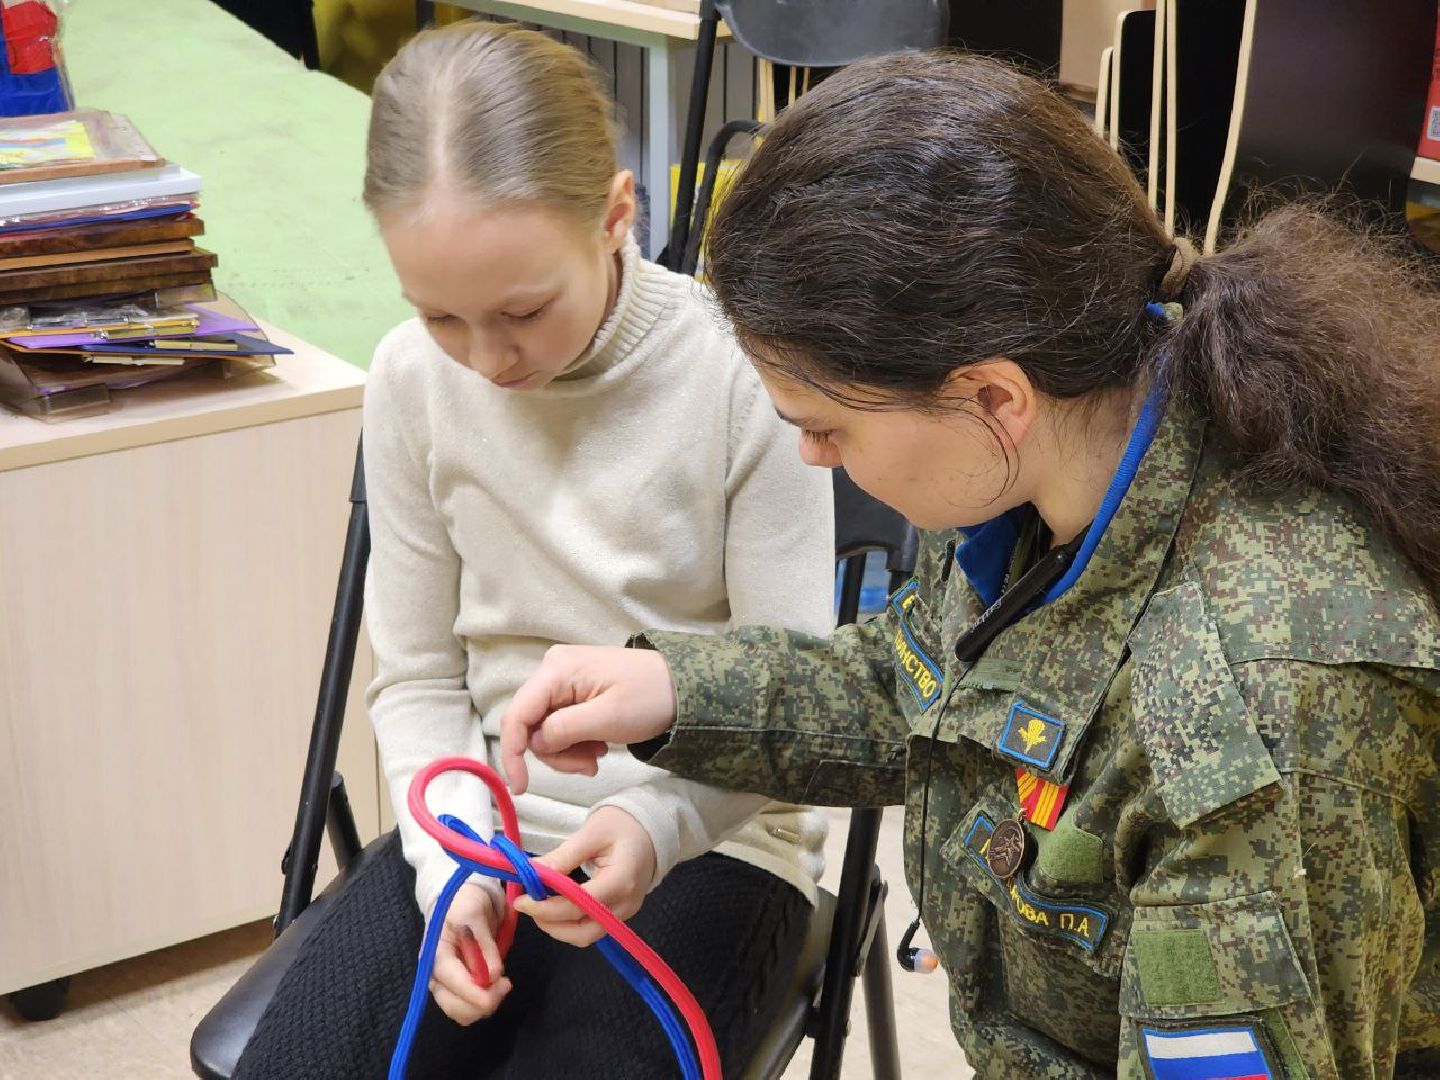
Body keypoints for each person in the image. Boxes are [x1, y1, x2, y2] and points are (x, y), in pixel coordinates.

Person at [500, 50, 1440, 1080]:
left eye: (825, 427)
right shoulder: (1059, 454)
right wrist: (676, 688)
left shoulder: (1254, 726)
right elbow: (938, 688)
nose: (812, 457)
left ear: (993, 398)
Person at [233, 21, 835, 1080]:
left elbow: (795, 703)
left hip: (714, 841)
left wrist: (656, 824)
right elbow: (417, 681)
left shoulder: (744, 379)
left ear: (616, 213)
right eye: (441, 317)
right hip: (481, 826)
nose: (486, 359)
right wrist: (447, 870)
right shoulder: (410, 380)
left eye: (520, 310)